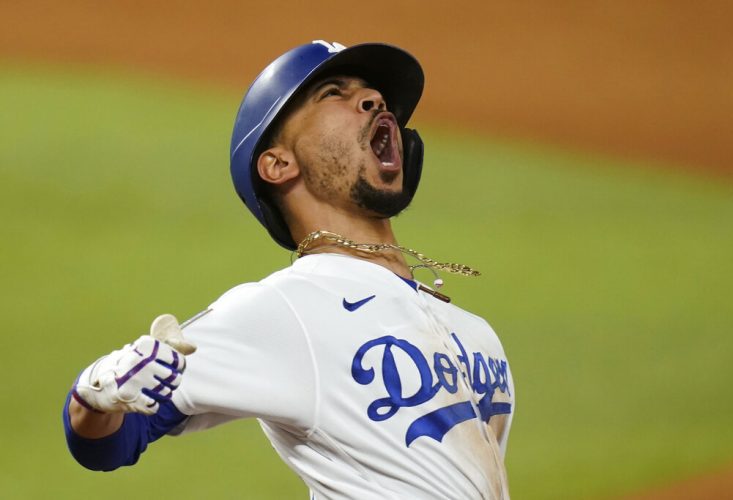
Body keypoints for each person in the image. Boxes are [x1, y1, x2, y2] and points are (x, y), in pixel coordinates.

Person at [63, 40, 515, 499]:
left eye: (373, 95)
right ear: (278, 164)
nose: (374, 100)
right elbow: (109, 440)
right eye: (333, 93)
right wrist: (95, 390)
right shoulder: (288, 308)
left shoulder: (475, 333)